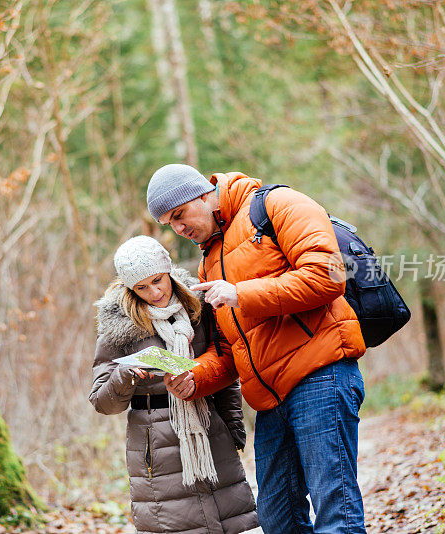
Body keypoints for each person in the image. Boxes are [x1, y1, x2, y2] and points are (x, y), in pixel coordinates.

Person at [146, 164, 368, 534]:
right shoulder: (208, 260)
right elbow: (230, 349)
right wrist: (194, 377)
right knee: (278, 521)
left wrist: (241, 294)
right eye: (170, 223)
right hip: (269, 401)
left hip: (321, 376)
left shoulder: (276, 204)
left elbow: (328, 275)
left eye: (180, 215)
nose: (179, 229)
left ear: (201, 193)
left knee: (336, 514)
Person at [89, 235, 259, 534]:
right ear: (130, 288)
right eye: (141, 287)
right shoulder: (118, 326)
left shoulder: (200, 306)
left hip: (210, 430)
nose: (154, 292)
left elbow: (224, 373)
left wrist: (232, 428)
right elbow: (103, 402)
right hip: (155, 443)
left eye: (158, 280)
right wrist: (125, 376)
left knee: (232, 522)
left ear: (168, 271)